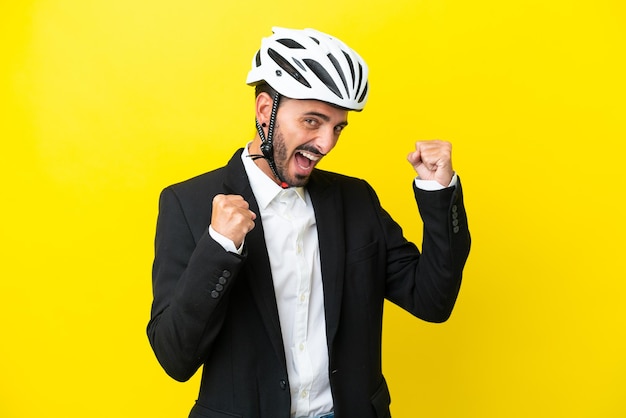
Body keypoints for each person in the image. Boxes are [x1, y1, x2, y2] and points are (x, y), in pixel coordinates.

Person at [148, 27, 471, 418]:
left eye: (337, 128)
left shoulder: (356, 200)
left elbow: (432, 301)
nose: (326, 144)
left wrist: (438, 194)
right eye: (312, 122)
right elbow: (174, 357)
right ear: (265, 110)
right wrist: (219, 246)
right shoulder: (188, 203)